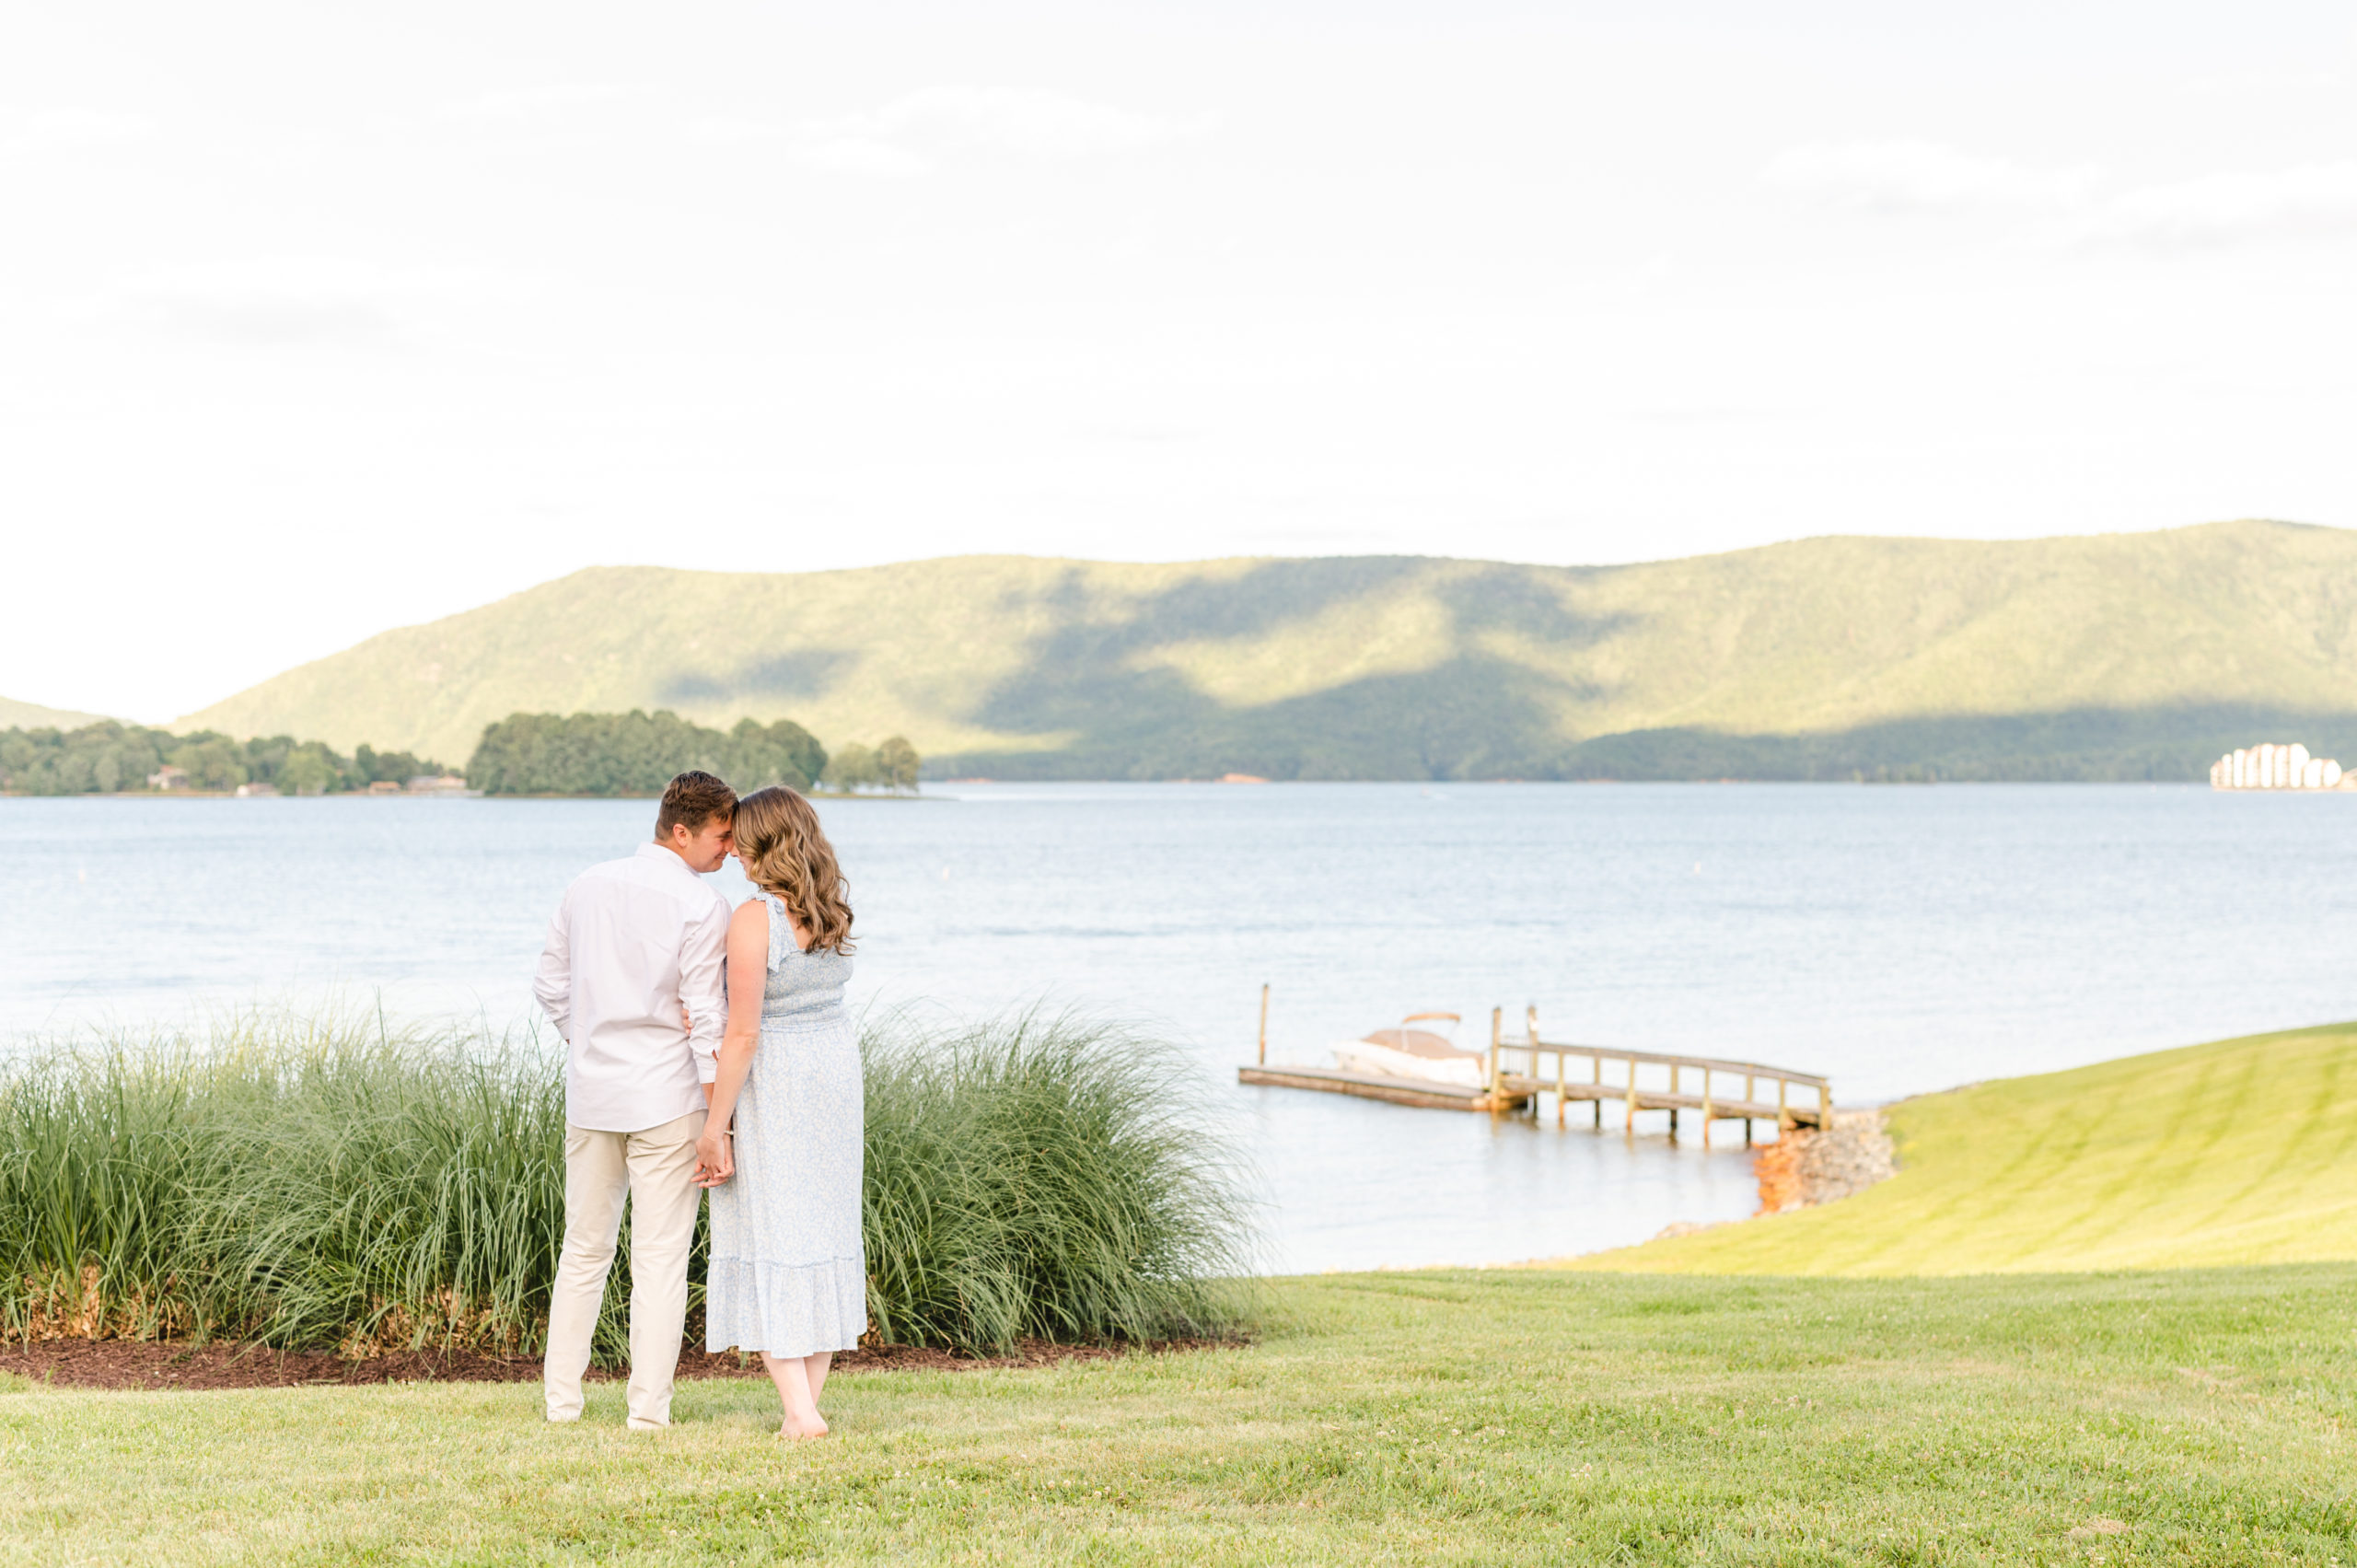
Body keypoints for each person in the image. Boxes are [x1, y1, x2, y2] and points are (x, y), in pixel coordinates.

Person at [533, 770, 737, 1430]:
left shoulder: (585, 885)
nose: (729, 849)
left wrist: (584, 1037)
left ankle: (561, 1405)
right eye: (720, 835)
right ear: (682, 831)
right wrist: (718, 1122)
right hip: (667, 1097)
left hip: (593, 1092)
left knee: (583, 1249)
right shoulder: (703, 906)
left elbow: (550, 987)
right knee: (658, 1258)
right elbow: (708, 1019)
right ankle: (648, 1414)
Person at [697, 784, 865, 1439]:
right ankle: (805, 1409)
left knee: (767, 1229)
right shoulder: (832, 909)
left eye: (741, 838)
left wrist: (716, 1127)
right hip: (834, 1069)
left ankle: (800, 1411)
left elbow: (743, 1033)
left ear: (764, 842)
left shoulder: (753, 917)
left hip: (778, 1080)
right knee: (819, 1229)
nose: (734, 849)